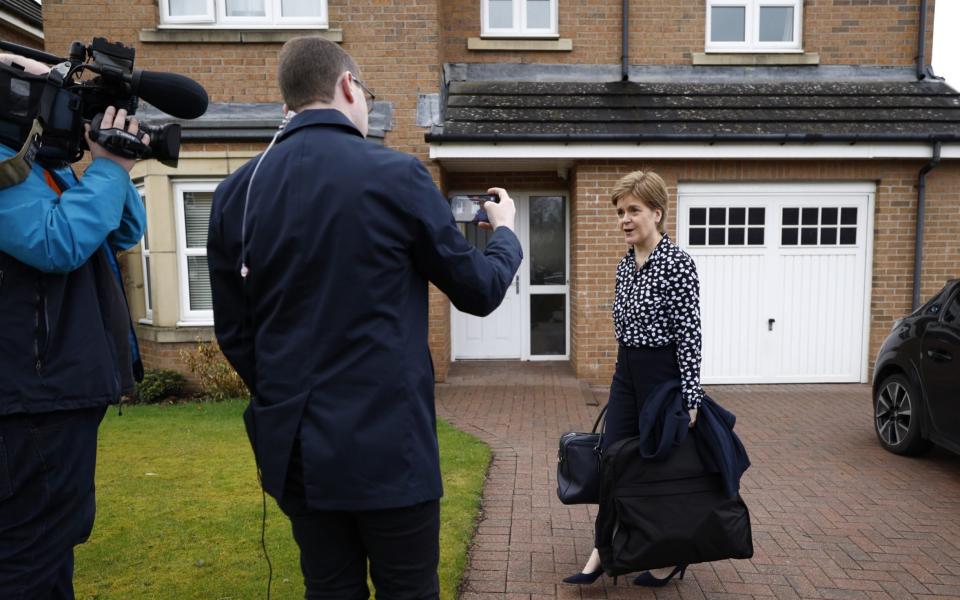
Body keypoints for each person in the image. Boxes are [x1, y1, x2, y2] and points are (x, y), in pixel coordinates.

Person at [207, 36, 522, 599]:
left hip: (298, 452)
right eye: (368, 95)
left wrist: (285, 394)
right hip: (389, 450)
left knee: (328, 589)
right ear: (348, 86)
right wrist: (506, 235)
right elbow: (477, 291)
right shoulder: (397, 176)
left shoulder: (237, 192)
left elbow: (234, 330)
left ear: (289, 102)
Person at [0, 54, 147, 598]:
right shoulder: (6, 166)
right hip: (26, 404)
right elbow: (56, 243)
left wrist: (112, 160)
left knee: (51, 544)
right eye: (30, 78)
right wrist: (107, 169)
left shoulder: (42, 163)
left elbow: (126, 228)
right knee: (27, 558)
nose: (50, 92)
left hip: (53, 399)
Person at [563, 169, 704, 587]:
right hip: (627, 373)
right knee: (613, 460)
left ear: (657, 213)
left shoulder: (677, 264)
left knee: (659, 469)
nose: (625, 218)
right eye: (620, 211)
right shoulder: (626, 266)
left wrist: (690, 397)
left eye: (634, 210)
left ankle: (670, 555)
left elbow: (689, 334)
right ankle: (602, 551)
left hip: (663, 378)